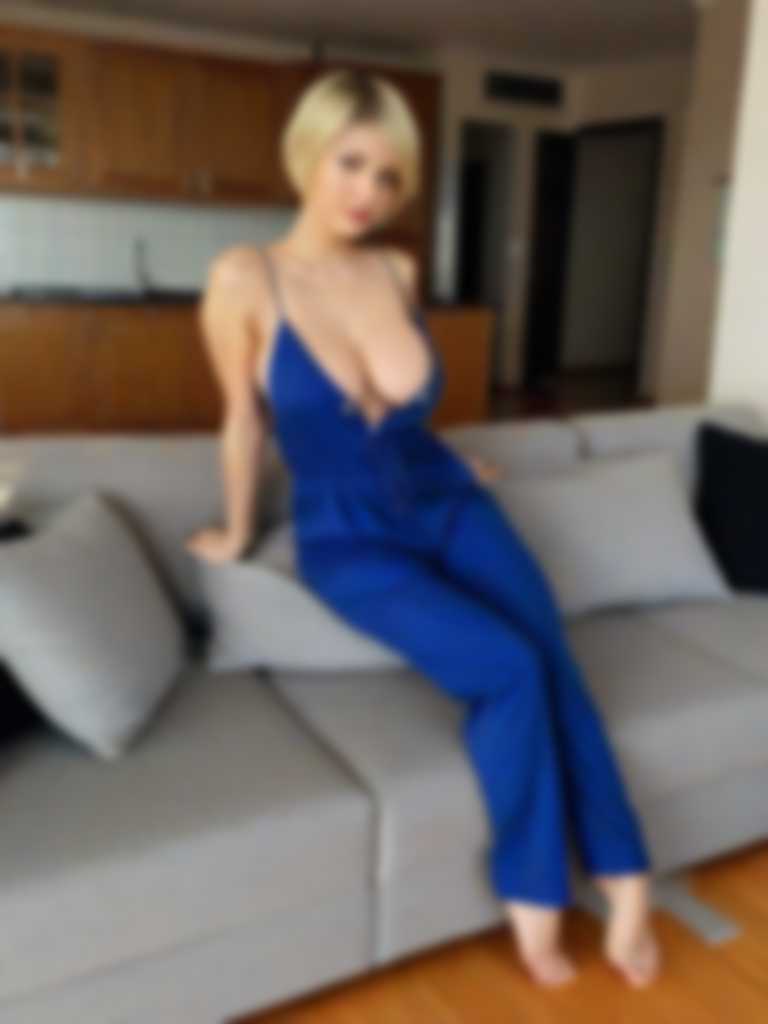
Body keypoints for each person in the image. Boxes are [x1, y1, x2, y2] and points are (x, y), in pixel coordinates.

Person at [185, 67, 661, 989]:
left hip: (448, 501)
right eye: (351, 163)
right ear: (308, 153)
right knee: (509, 666)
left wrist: (449, 464)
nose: (369, 192)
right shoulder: (244, 277)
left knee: (552, 655)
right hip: (346, 536)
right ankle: (534, 892)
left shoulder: (397, 271)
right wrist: (239, 531)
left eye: (390, 175)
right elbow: (243, 419)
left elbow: (398, 413)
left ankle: (626, 876)